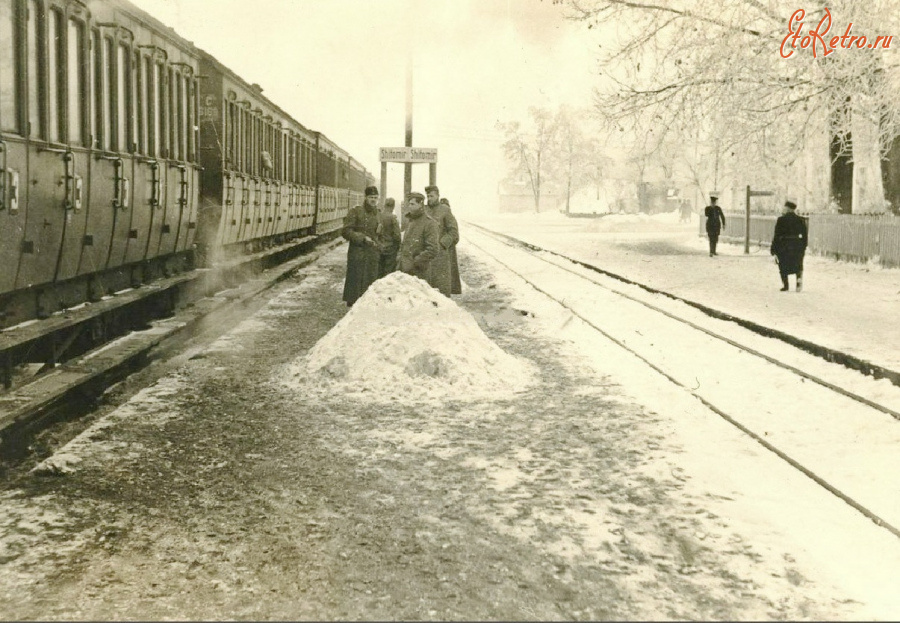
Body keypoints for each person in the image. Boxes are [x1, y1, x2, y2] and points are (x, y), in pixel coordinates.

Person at [341, 186, 381, 306]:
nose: (373, 200)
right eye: (371, 197)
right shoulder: (356, 211)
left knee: (369, 289)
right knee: (355, 288)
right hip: (357, 255)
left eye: (375, 197)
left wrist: (379, 245)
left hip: (372, 256)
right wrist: (362, 238)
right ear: (365, 197)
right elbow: (345, 231)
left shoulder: (378, 214)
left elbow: (380, 234)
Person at [424, 185, 459, 296]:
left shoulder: (445, 210)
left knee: (441, 286)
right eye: (428, 196)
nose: (429, 198)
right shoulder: (424, 210)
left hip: (441, 255)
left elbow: (453, 231)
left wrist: (443, 244)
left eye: (432, 196)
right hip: (427, 252)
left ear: (438, 196)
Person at [398, 192, 439, 280]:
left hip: (419, 272)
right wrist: (399, 259)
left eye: (412, 204)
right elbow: (404, 243)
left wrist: (415, 262)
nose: (409, 206)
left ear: (420, 204)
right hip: (404, 269)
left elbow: (433, 249)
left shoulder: (429, 223)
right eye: (409, 204)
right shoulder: (410, 220)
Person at [770, 198, 808, 292]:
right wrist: (803, 246)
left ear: (788, 209)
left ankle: (785, 285)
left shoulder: (781, 220)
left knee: (783, 265)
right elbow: (805, 235)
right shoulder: (801, 220)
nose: (783, 209)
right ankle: (798, 281)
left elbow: (777, 235)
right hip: (797, 245)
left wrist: (773, 248)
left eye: (785, 208)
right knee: (798, 265)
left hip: (784, 245)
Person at [440, 197, 462, 294]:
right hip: (442, 249)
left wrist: (445, 242)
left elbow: (455, 235)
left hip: (448, 249)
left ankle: (450, 290)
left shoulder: (451, 218)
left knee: (449, 272)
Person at [376, 197, 402, 277]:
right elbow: (397, 236)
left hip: (379, 248)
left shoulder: (378, 216)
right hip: (390, 249)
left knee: (379, 272)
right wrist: (398, 246)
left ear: (384, 205)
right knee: (389, 272)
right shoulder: (393, 218)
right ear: (393, 206)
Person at [704, 192, 726, 256]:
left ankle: (714, 251)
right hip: (710, 226)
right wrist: (710, 208)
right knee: (711, 238)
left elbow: (722, 216)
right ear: (710, 202)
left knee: (715, 239)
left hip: (716, 226)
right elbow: (706, 215)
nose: (713, 203)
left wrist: (723, 224)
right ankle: (711, 252)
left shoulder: (718, 208)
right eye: (712, 202)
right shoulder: (707, 208)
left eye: (714, 202)